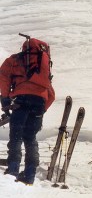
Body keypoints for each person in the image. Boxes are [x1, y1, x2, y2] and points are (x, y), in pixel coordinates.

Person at [0, 38, 55, 185]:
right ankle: (30, 175)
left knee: (16, 137)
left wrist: (5, 100)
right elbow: (51, 94)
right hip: (39, 104)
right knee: (30, 138)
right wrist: (42, 109)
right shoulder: (41, 69)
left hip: (21, 101)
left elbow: (3, 78)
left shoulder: (15, 60)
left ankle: (12, 172)